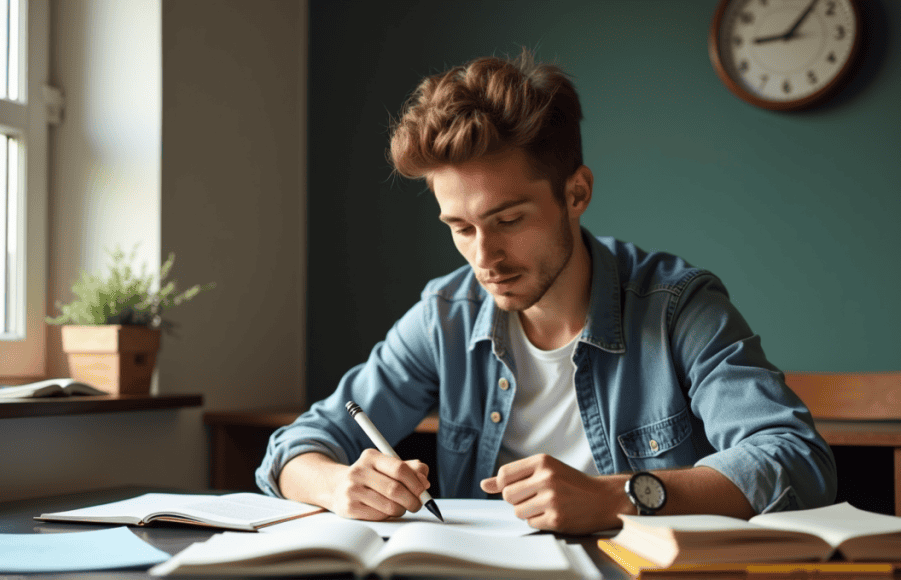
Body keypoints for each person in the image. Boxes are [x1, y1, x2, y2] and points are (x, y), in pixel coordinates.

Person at [257, 50, 836, 534]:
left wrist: (617, 498)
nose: (484, 258)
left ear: (576, 193)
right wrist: (338, 483)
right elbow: (295, 446)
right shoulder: (445, 317)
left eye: (508, 221)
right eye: (460, 228)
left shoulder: (678, 307)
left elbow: (795, 461)